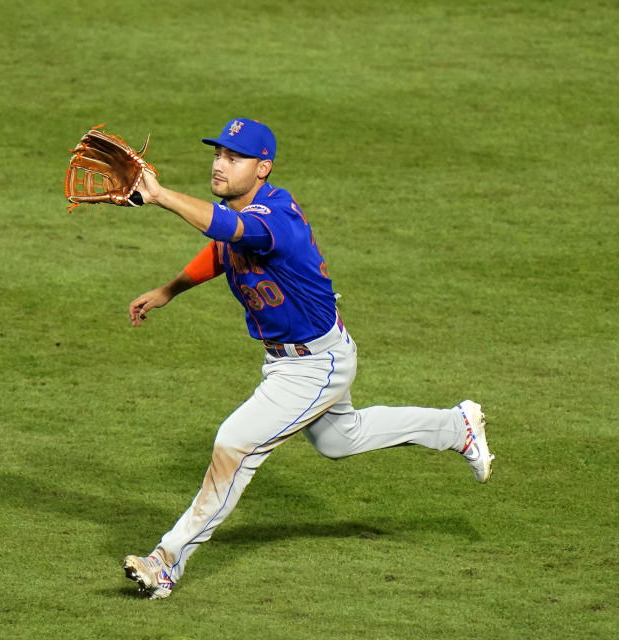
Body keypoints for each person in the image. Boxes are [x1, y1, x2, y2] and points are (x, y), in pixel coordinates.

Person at [121, 118, 494, 600]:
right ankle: (456, 427)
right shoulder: (244, 213)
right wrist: (169, 290)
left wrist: (160, 195)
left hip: (314, 367)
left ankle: (166, 561)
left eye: (233, 158)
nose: (219, 163)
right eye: (217, 154)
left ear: (262, 168)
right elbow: (221, 249)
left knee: (234, 445)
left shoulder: (274, 218)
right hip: (300, 358)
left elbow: (230, 229)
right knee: (341, 438)